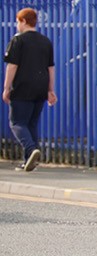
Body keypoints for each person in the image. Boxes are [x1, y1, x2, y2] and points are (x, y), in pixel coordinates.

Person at [4, 9, 56, 172]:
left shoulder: (18, 40)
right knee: (32, 122)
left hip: (23, 85)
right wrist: (50, 90)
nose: (17, 25)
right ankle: (30, 161)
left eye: (18, 21)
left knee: (17, 122)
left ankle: (31, 149)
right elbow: (50, 68)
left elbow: (12, 65)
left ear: (24, 21)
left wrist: (6, 87)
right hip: (41, 86)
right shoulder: (45, 41)